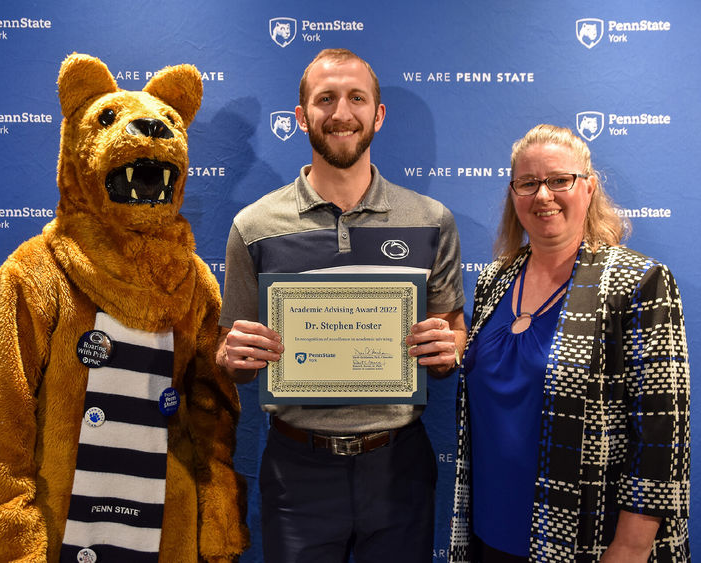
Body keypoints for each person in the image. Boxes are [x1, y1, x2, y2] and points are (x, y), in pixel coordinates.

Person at [216, 48, 466, 562]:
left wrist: (448, 349)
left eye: (357, 98)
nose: (341, 113)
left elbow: (452, 331)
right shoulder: (254, 226)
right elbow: (229, 349)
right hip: (296, 468)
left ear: (377, 115)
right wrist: (231, 358)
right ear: (301, 117)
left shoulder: (432, 219)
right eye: (324, 99)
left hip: (399, 466)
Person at [449, 124, 690, 562]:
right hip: (488, 530)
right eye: (528, 183)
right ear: (513, 194)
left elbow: (661, 433)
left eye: (560, 180)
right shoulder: (493, 282)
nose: (543, 195)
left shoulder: (638, 282)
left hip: (585, 539)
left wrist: (631, 546)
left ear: (589, 188)